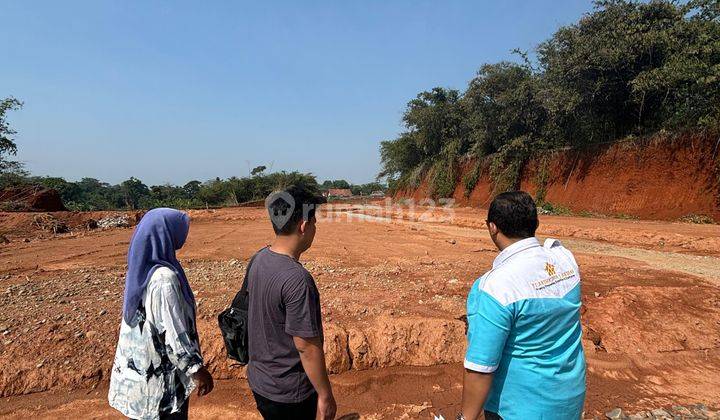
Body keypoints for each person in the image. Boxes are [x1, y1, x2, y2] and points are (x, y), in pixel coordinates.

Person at [459, 191, 586, 420]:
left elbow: (481, 368)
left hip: (518, 409)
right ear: (536, 223)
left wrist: (465, 418)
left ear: (493, 228)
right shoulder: (565, 259)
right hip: (570, 400)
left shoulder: (495, 287)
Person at [108, 208, 213, 420]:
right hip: (161, 391)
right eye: (181, 229)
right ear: (167, 234)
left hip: (139, 383)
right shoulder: (165, 279)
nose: (184, 234)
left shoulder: (141, 270)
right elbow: (173, 335)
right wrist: (196, 370)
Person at [246, 185, 336, 420]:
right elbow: (306, 347)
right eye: (314, 222)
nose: (315, 228)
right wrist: (325, 395)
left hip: (260, 381)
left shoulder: (259, 258)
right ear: (303, 226)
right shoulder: (297, 279)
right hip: (289, 392)